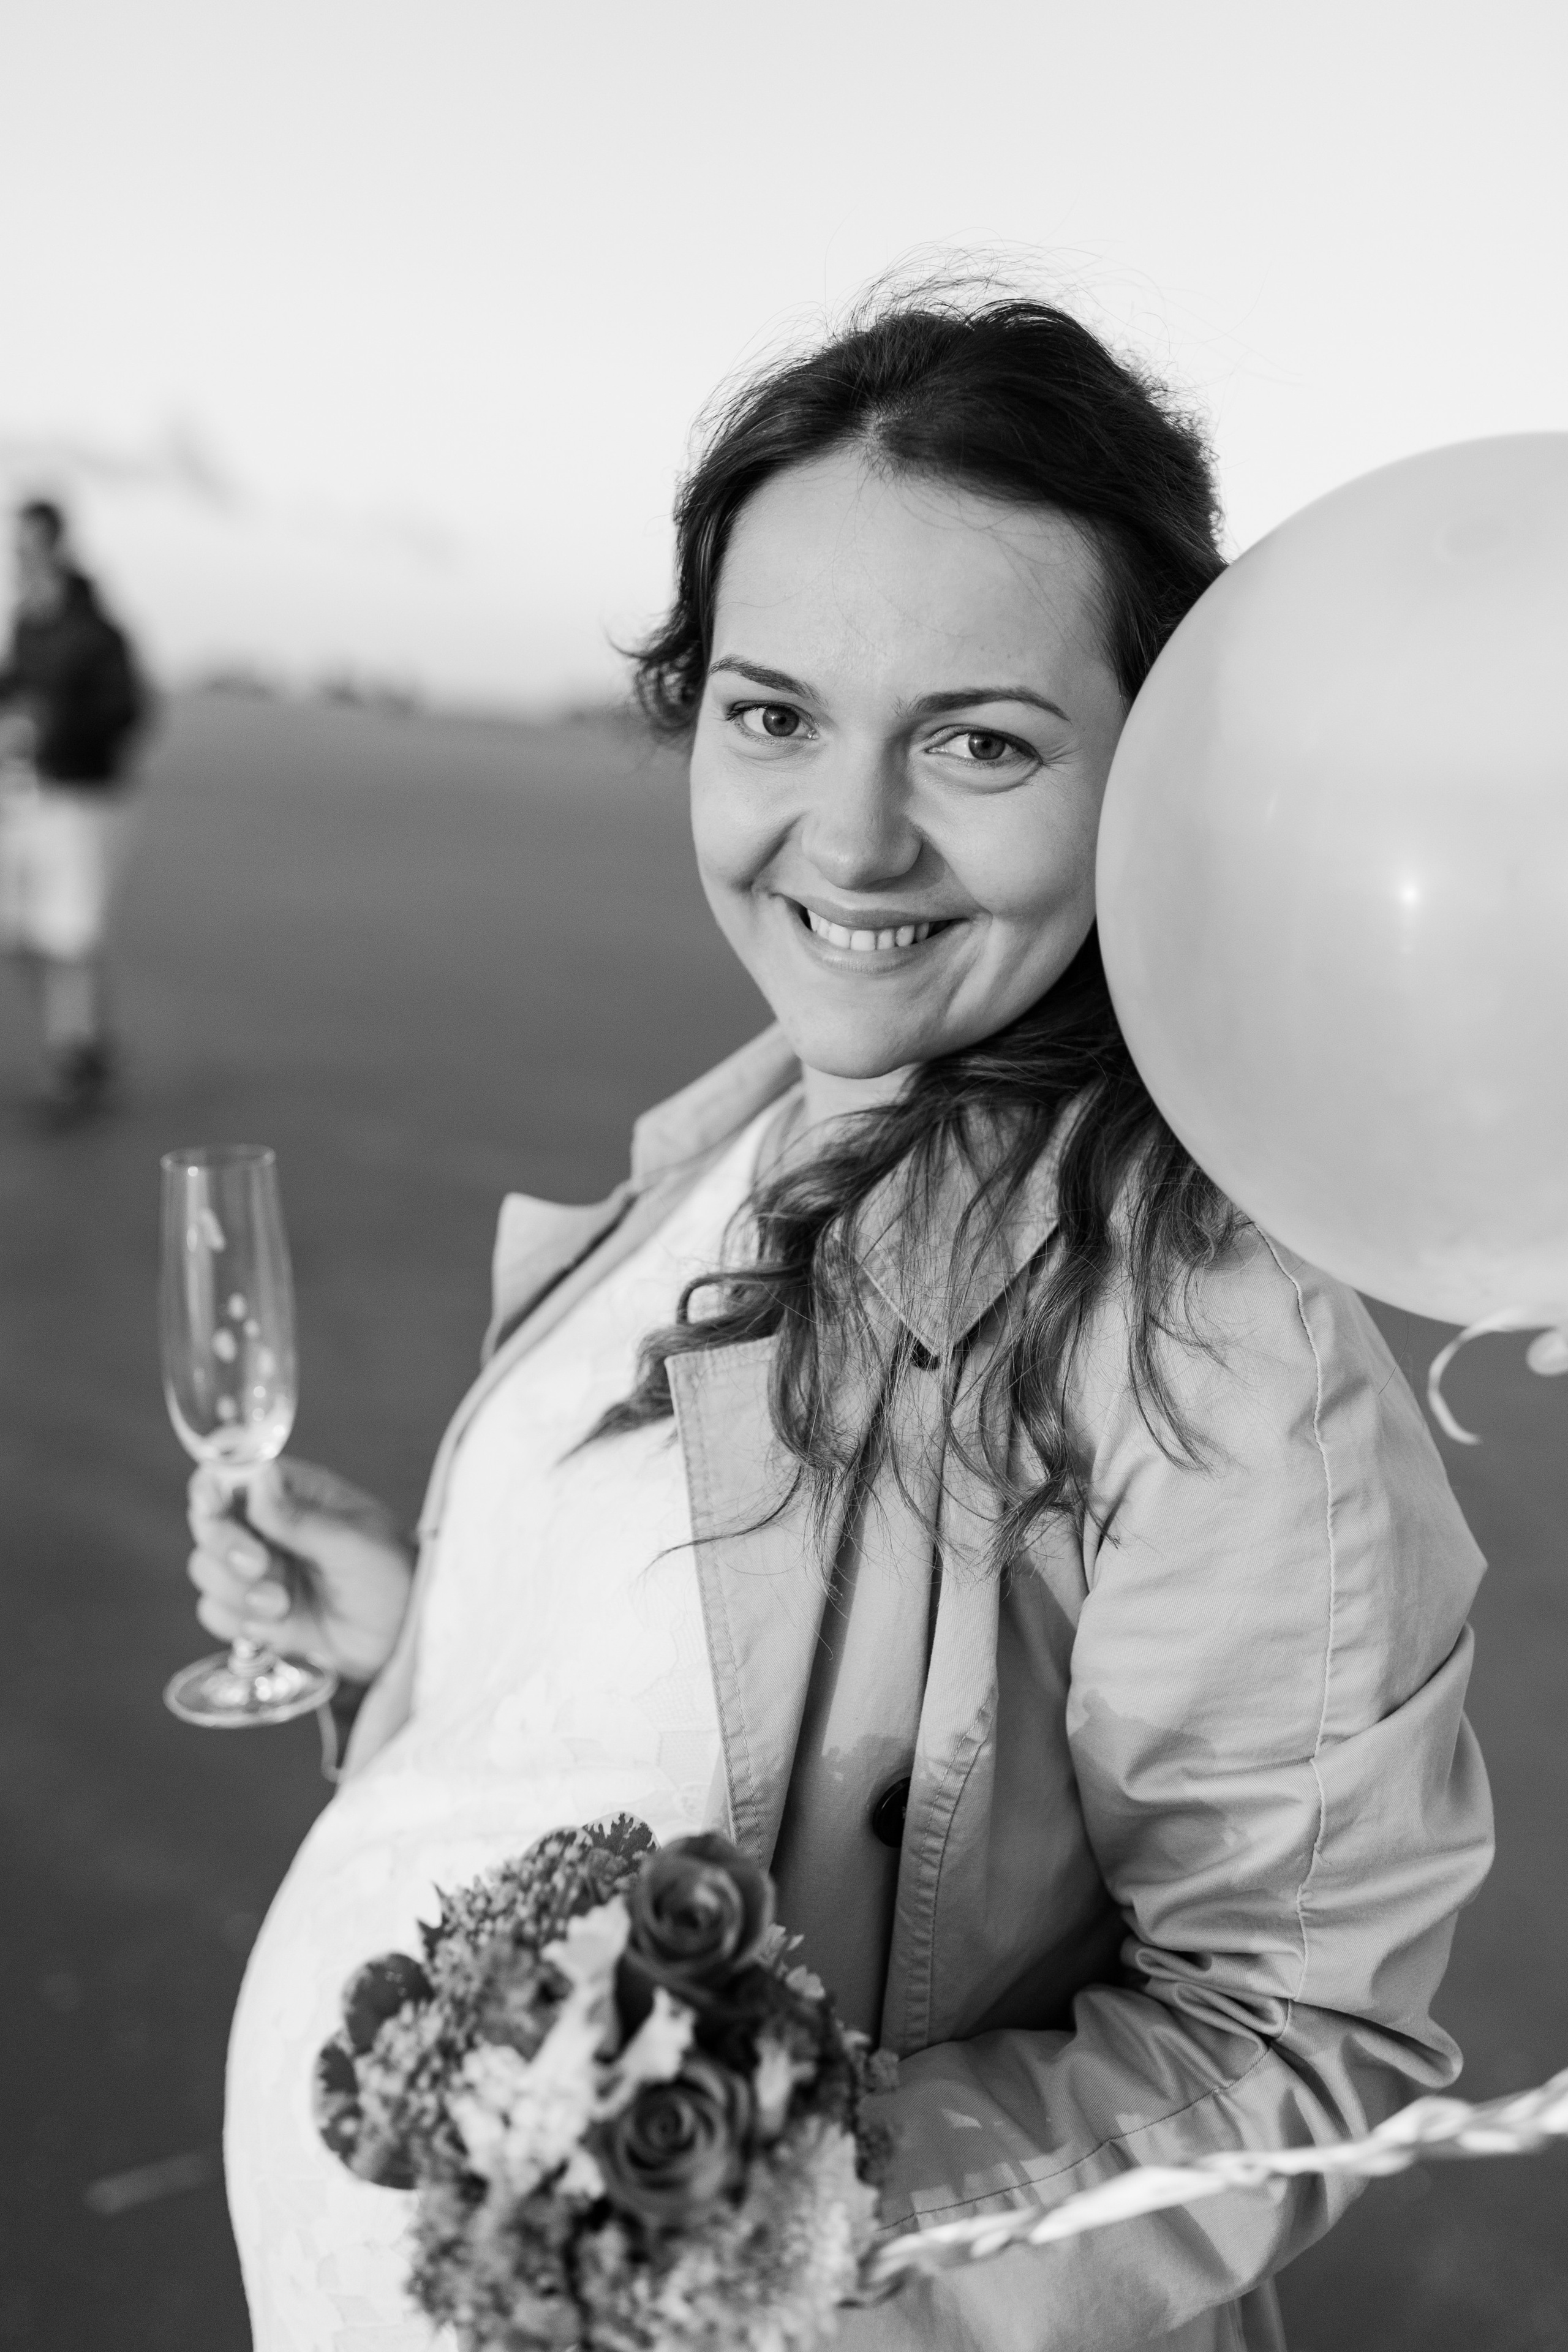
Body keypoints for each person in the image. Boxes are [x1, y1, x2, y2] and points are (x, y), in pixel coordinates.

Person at [188, 288, 1491, 2351]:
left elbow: (1296, 2044)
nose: (854, 838)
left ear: (1154, 768)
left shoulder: (1216, 1336)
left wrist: (766, 2218)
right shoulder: (744, 1127)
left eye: (980, 741)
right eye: (775, 714)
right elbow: (694, 1690)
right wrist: (426, 1638)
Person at [0, 497, 149, 1121]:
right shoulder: (28, 624)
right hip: (25, 799)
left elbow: (129, 712)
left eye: (30, 544)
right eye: (16, 545)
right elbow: (13, 690)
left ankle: (74, 1062)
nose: (21, 557)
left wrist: (53, 731)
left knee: (68, 934)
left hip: (84, 803)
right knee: (27, 934)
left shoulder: (97, 631)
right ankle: (82, 1045)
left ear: (56, 546)